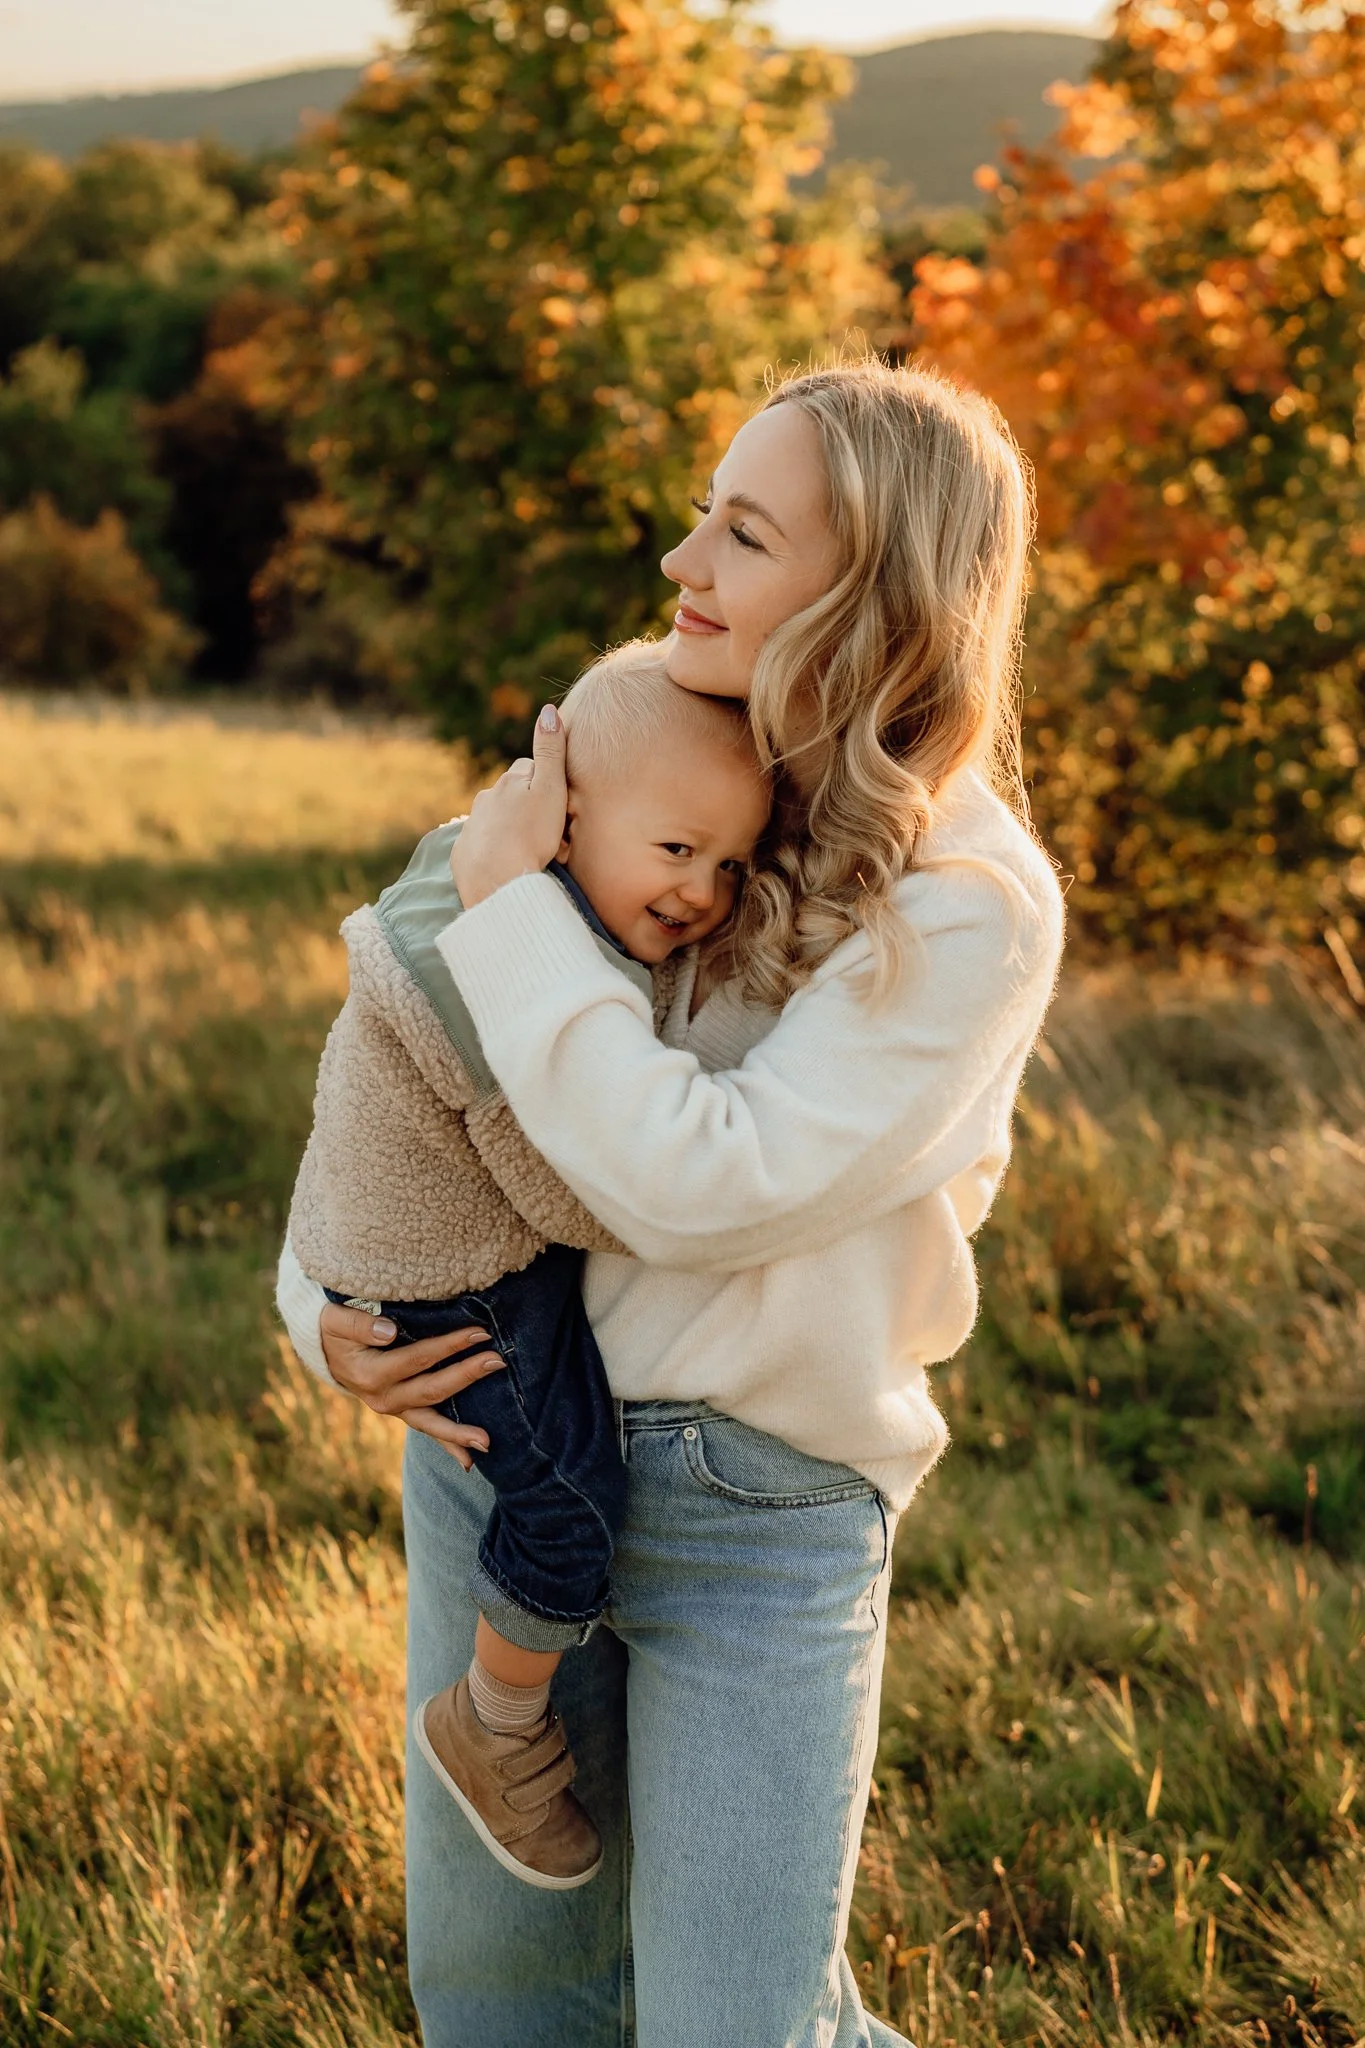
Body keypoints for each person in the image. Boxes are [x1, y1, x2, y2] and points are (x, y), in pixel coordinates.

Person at [276, 357, 1066, 2048]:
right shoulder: (638, 737)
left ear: (878, 593)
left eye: (745, 533)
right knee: (504, 2004)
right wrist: (323, 1304)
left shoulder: (970, 899)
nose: (680, 561)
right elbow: (402, 1027)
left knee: (738, 2026)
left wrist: (517, 915)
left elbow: (707, 1186)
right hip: (500, 1452)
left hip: (759, 1514)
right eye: (705, 513)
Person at [285, 643, 771, 1888]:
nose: (703, 891)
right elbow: (571, 1181)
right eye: (678, 849)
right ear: (564, 818)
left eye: (730, 865)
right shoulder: (496, 969)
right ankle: (494, 1722)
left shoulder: (480, 893)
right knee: (568, 1499)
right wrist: (684, 1187)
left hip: (435, 1262)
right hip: (455, 1287)